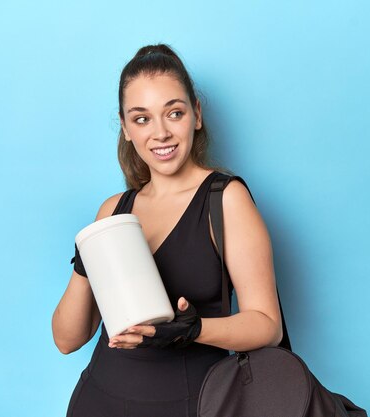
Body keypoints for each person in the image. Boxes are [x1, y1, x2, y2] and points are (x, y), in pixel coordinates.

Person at [51, 44, 283, 417]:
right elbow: (67, 339)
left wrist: (192, 331)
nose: (160, 133)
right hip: (98, 400)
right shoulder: (113, 210)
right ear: (125, 128)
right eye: (141, 119)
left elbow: (267, 325)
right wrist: (85, 260)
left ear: (196, 115)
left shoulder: (225, 200)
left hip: (189, 404)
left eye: (173, 112)